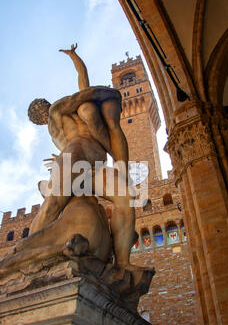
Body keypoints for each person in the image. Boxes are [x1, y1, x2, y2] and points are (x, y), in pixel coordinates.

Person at [29, 44, 147, 280]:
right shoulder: (57, 114)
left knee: (126, 197)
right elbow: (85, 90)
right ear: (43, 113)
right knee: (53, 203)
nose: (44, 110)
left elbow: (83, 83)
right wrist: (107, 92)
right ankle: (30, 255)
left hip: (94, 166)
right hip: (77, 157)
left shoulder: (63, 117)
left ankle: (123, 264)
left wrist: (75, 58)